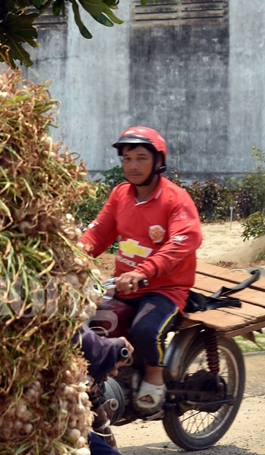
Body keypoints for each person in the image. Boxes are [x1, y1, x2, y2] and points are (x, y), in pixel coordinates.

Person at [79, 127, 202, 415]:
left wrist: (144, 271)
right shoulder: (120, 195)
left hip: (164, 289)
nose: (132, 165)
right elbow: (98, 233)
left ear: (158, 161)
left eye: (141, 158)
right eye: (127, 159)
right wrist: (72, 255)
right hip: (124, 286)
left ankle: (154, 375)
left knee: (145, 329)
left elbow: (184, 240)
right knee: (92, 320)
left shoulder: (176, 199)